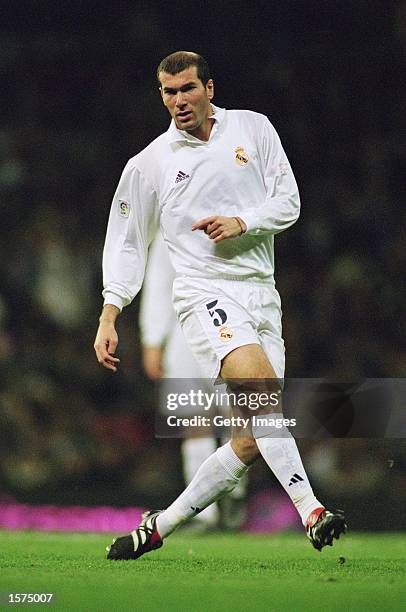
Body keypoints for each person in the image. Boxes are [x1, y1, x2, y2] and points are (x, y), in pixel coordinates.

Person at [94, 51, 346, 560]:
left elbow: (289, 202)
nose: (178, 101)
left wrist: (243, 221)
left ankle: (158, 527)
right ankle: (312, 510)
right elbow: (126, 241)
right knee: (259, 395)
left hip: (261, 293)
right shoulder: (150, 164)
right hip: (204, 291)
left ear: (210, 87)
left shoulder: (253, 129)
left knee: (251, 438)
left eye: (187, 89)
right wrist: (110, 311)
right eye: (168, 92)